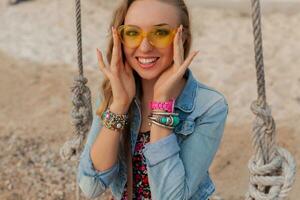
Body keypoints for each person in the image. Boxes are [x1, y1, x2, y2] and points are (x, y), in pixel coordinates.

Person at [77, 0, 229, 199]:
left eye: (160, 33)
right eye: (132, 33)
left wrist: (162, 103)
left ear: (182, 38)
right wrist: (120, 105)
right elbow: (91, 185)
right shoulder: (113, 94)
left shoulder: (209, 106)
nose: (145, 47)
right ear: (121, 39)